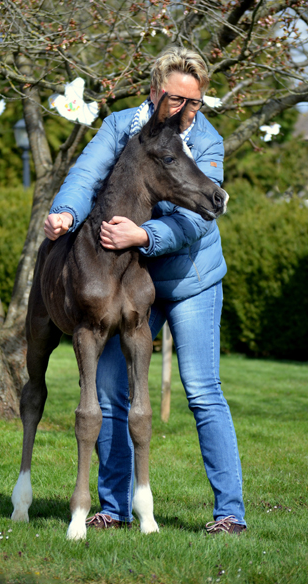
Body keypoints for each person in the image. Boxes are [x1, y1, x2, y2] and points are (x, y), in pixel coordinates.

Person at [44, 46, 246, 535]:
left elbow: (198, 218)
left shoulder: (208, 141)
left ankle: (230, 514)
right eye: (178, 100)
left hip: (190, 278)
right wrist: (66, 212)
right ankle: (112, 508)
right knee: (110, 388)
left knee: (202, 391)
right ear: (155, 92)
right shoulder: (120, 126)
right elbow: (87, 173)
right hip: (135, 280)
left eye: (196, 102)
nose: (187, 111)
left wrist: (145, 236)